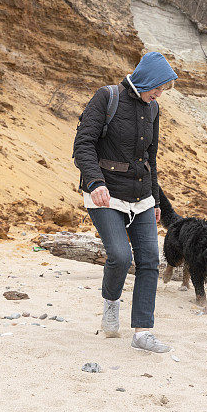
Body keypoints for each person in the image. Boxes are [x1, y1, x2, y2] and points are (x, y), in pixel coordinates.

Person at [72, 52, 178, 353]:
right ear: (146, 79)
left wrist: (156, 199)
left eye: (163, 89)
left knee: (150, 260)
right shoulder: (107, 97)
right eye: (158, 86)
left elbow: (150, 158)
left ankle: (143, 332)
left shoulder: (153, 109)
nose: (159, 94)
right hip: (105, 193)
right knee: (119, 256)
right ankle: (111, 303)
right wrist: (95, 182)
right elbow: (83, 145)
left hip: (142, 195)